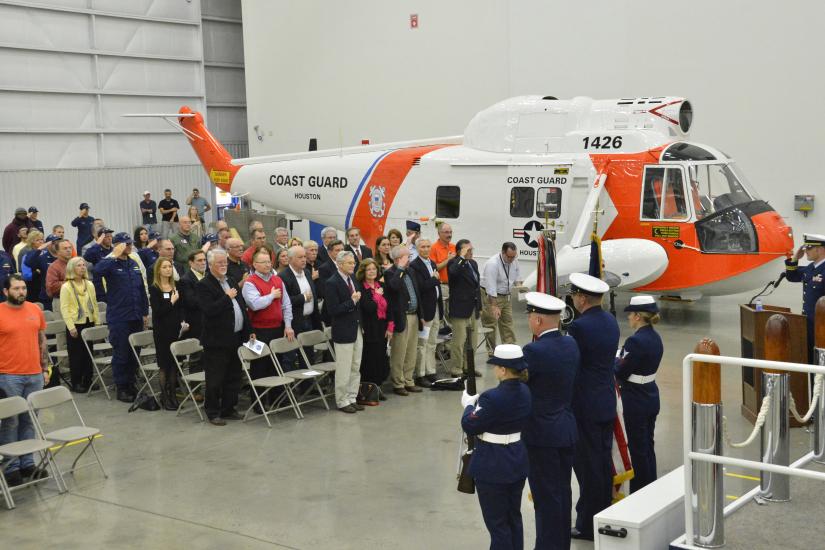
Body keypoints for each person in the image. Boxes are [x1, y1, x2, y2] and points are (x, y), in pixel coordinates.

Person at [460, 344, 531, 550]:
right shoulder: (525, 391)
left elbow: (470, 424)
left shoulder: (492, 397)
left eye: (496, 366)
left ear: (503, 369)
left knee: (497, 524)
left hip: (493, 464)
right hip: (516, 458)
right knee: (513, 519)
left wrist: (469, 406)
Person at [522, 292, 579, 550]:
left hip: (541, 435)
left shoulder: (533, 351)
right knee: (563, 493)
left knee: (545, 497)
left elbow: (521, 385)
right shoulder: (570, 345)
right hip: (566, 429)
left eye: (531, 316)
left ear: (538, 320)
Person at [566, 272, 619, 541]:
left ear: (582, 298)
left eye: (575, 295)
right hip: (606, 401)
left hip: (584, 404)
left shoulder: (579, 328)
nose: (574, 298)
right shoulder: (611, 321)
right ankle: (601, 515)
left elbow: (571, 364)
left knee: (587, 468)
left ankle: (586, 525)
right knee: (601, 464)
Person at [0, 274, 49, 487]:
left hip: (34, 373)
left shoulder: (35, 310)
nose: (21, 292)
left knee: (30, 420)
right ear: (6, 291)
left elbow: (41, 339)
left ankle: (28, 463)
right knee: (11, 422)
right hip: (8, 375)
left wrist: (45, 368)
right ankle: (11, 468)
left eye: (24, 288)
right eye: (17, 288)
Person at [197, 248, 253, 426]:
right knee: (215, 379)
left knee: (234, 376)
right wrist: (226, 297)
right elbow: (209, 310)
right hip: (216, 340)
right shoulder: (204, 285)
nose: (223, 266)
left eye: (225, 262)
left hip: (235, 337)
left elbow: (241, 306)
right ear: (211, 264)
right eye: (220, 263)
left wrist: (248, 329)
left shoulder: (231, 280)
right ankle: (213, 412)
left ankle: (229, 408)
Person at [94, 233, 150, 403]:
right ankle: (122, 387)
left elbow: (141, 289)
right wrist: (114, 254)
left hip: (135, 315)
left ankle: (132, 383)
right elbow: (97, 270)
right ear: (118, 246)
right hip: (119, 316)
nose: (129, 246)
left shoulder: (133, 264)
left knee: (135, 352)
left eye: (130, 244)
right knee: (122, 352)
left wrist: (145, 312)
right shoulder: (110, 264)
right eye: (126, 244)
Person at [616, 295, 663, 493]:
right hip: (650, 395)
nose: (628, 318)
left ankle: (640, 491)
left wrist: (615, 362)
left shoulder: (635, 341)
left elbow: (621, 372)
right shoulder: (655, 337)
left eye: (630, 315)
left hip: (635, 400)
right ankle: (651, 486)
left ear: (637, 316)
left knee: (637, 450)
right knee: (647, 447)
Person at [242, 248, 293, 397]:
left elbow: (286, 304)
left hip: (277, 328)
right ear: (254, 264)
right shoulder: (249, 283)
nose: (267, 265)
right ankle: (259, 401)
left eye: (269, 262)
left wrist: (288, 325)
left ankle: (277, 398)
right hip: (257, 331)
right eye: (263, 262)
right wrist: (271, 296)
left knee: (276, 365)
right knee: (259, 366)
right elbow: (254, 304)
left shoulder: (277, 280)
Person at [324, 251, 364, 413]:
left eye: (353, 262)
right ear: (340, 264)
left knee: (355, 365)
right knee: (344, 367)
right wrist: (352, 301)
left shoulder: (352, 278)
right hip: (343, 330)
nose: (352, 265)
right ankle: (342, 400)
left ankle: (352, 397)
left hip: (356, 328)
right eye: (349, 263)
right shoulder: (332, 283)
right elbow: (333, 310)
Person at [149, 258, 187, 411]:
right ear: (158, 270)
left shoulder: (176, 286)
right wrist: (171, 301)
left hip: (175, 329)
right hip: (162, 331)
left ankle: (173, 396)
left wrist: (183, 320)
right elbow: (158, 312)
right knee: (164, 365)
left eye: (170, 266)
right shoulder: (155, 288)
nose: (168, 269)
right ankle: (164, 397)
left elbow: (181, 307)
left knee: (174, 365)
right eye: (164, 267)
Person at [384, 245, 424, 396]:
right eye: (407, 257)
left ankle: (409, 380)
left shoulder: (411, 271)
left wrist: (421, 314)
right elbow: (393, 287)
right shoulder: (390, 273)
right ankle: (398, 382)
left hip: (414, 315)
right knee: (399, 351)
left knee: (411, 350)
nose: (410, 259)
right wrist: (400, 269)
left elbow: (417, 294)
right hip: (401, 317)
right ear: (397, 259)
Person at [60, 257, 100, 393]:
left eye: (84, 265)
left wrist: (97, 322)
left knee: (88, 354)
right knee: (76, 355)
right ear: (72, 268)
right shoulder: (66, 287)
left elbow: (94, 304)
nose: (82, 267)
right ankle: (76, 382)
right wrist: (71, 327)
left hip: (88, 321)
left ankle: (88, 380)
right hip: (75, 324)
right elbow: (64, 308)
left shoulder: (89, 284)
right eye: (79, 265)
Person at [785, 233, 825, 363]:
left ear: (819, 249)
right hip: (808, 325)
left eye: (808, 248)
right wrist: (795, 258)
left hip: (822, 327)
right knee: (811, 362)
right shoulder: (811, 268)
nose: (805, 251)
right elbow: (792, 276)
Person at [280, 246, 321, 370]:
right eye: (300, 257)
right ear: (291, 259)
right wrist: (302, 298)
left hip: (309, 320)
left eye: (304, 256)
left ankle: (308, 387)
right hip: (294, 322)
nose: (304, 260)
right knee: (290, 356)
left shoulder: (307, 273)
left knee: (308, 356)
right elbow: (283, 302)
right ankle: (290, 388)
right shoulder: (283, 276)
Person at [410, 237, 443, 388]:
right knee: (422, 343)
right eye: (422, 247)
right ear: (417, 249)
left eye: (428, 246)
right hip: (425, 310)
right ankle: (420, 374)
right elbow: (421, 288)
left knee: (432, 342)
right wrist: (434, 280)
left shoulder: (432, 263)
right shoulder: (415, 266)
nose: (426, 249)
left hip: (435, 307)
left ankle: (431, 370)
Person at [447, 239, 481, 377]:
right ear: (460, 251)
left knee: (472, 341)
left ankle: (469, 367)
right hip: (460, 308)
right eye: (468, 250)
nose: (471, 252)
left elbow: (477, 286)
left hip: (473, 308)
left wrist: (479, 306)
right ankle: (456, 368)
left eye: (472, 249)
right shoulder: (454, 263)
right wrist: (461, 257)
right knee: (459, 341)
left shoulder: (473, 263)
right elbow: (453, 273)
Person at [356, 258, 392, 387]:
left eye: (374, 269)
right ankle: (370, 387)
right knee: (370, 358)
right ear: (363, 272)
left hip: (382, 327)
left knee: (381, 357)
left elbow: (389, 307)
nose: (372, 272)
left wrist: (390, 327)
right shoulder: (360, 287)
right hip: (369, 327)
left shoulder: (382, 286)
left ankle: (378, 386)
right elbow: (368, 308)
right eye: (368, 269)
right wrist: (376, 296)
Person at [480, 242, 523, 352]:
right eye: (509, 257)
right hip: (491, 296)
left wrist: (520, 287)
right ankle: (492, 351)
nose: (512, 259)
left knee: (507, 322)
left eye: (514, 256)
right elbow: (491, 287)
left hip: (506, 296)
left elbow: (517, 277)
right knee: (491, 324)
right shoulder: (493, 264)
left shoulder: (514, 260)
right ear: (503, 252)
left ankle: (510, 348)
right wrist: (494, 306)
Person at [178, 250, 207, 348]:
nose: (203, 262)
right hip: (196, 323)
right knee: (197, 358)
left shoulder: (208, 276)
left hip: (209, 322)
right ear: (191, 263)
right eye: (199, 260)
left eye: (204, 260)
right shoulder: (185, 280)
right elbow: (192, 302)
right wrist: (210, 297)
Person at [430, 222, 456, 319]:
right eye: (446, 232)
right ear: (439, 233)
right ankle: (443, 333)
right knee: (442, 313)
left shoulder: (454, 247)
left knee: (452, 313)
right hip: (442, 285)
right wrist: (448, 260)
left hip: (454, 286)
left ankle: (451, 333)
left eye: (450, 232)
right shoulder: (433, 248)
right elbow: (433, 268)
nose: (449, 235)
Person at [27, 235, 61, 310]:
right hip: (47, 297)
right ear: (47, 245)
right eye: (53, 243)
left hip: (63, 294)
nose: (57, 245)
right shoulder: (42, 258)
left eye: (58, 242)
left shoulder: (63, 257)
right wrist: (39, 250)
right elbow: (29, 263)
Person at [83, 227, 114, 303]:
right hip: (100, 287)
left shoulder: (114, 250)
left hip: (113, 285)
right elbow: (87, 256)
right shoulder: (96, 250)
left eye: (110, 236)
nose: (110, 238)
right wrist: (97, 243)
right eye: (107, 237)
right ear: (101, 238)